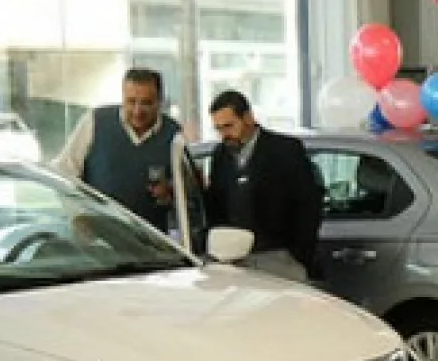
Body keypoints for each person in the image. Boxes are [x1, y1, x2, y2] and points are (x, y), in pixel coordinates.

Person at [202, 90, 324, 282]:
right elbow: (217, 205)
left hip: (279, 257)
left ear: (248, 118)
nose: (225, 134)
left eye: (229, 126)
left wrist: (299, 255)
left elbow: (308, 205)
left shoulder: (285, 150)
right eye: (219, 129)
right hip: (235, 259)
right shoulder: (220, 155)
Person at [51, 67, 184, 231]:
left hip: (150, 238)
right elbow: (65, 171)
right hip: (98, 234)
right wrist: (78, 215)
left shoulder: (174, 134)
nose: (138, 111)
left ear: (160, 102)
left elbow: (187, 197)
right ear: (122, 98)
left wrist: (170, 193)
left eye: (146, 103)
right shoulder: (96, 121)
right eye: (131, 101)